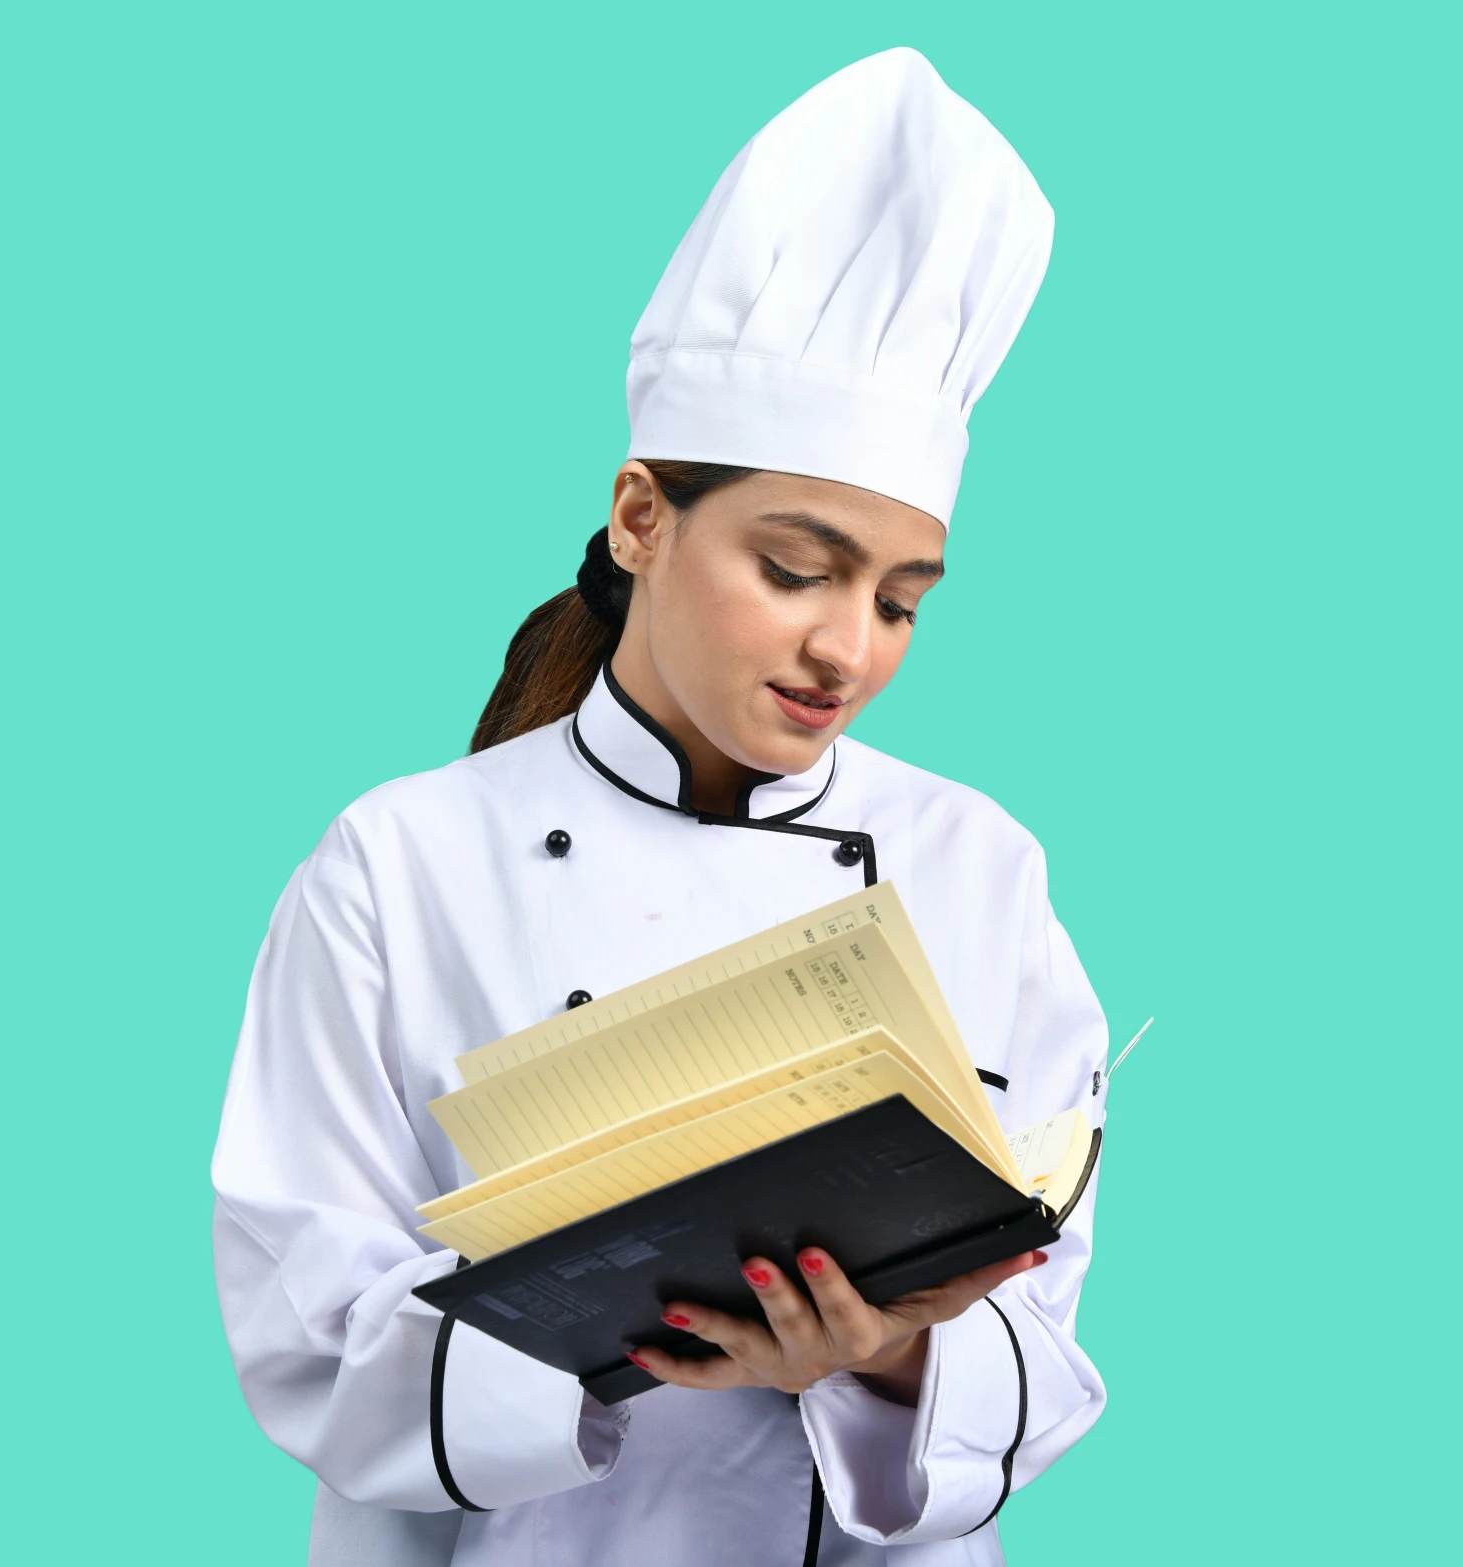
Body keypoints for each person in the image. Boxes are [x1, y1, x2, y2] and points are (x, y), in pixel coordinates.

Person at [212, 48, 1111, 1567]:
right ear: (643, 516)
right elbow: (305, 1329)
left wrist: (884, 1352)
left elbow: (1045, 1343)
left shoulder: (981, 865)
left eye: (901, 600)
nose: (849, 649)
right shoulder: (399, 863)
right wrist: (632, 1326)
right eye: (797, 567)